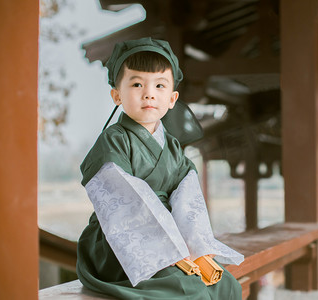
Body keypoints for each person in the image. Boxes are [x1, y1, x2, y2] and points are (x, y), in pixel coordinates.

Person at [76, 37, 244, 299]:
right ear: (117, 95)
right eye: (136, 84)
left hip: (174, 238)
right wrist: (170, 249)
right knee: (188, 289)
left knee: (226, 285)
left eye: (159, 85)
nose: (149, 93)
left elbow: (188, 204)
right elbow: (126, 202)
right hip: (123, 243)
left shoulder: (173, 148)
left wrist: (195, 246)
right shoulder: (114, 140)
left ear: (172, 98)